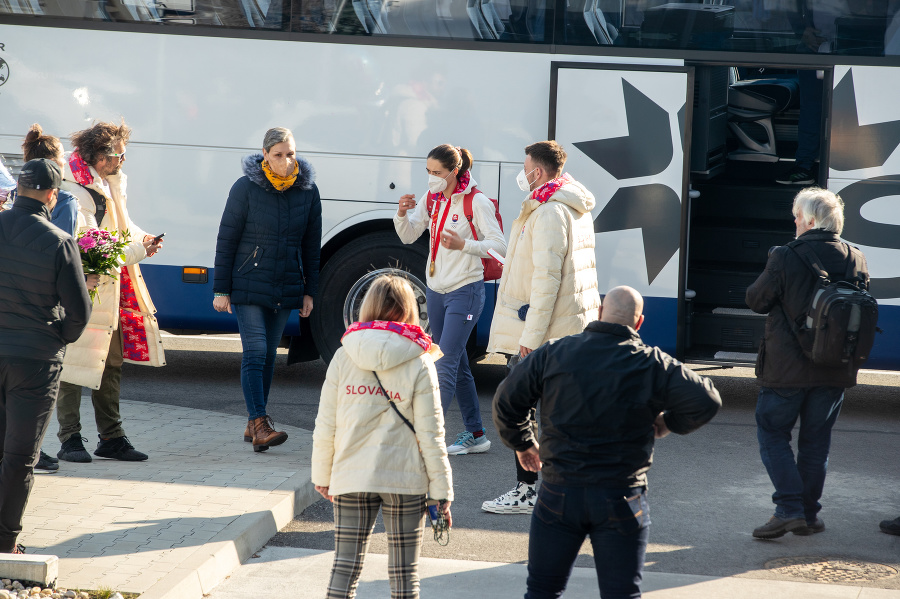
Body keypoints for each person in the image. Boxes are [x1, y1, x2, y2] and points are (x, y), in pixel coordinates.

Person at [493, 286, 721, 599]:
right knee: (621, 594)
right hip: (622, 496)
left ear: (599, 312)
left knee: (542, 591)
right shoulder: (653, 363)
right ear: (639, 323)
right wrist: (668, 423)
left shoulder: (554, 352)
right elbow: (707, 399)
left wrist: (523, 443)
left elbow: (506, 400)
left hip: (560, 491)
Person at [311, 274, 453, 599]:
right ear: (409, 310)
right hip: (405, 479)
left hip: (351, 476)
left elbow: (326, 423)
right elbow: (432, 433)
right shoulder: (420, 359)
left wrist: (322, 475)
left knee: (344, 569)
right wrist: (441, 492)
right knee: (405, 577)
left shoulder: (344, 354)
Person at [482, 140, 600, 514]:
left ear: (540, 172)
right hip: (569, 329)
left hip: (544, 335)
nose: (523, 172)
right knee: (558, 416)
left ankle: (529, 491)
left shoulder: (550, 211)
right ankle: (561, 490)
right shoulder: (571, 205)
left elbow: (546, 282)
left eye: (526, 166)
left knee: (521, 413)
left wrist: (529, 342)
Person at [746, 187, 869, 538]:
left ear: (811, 220)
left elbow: (756, 300)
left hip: (787, 370)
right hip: (835, 368)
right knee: (816, 443)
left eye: (798, 217)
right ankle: (809, 515)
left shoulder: (786, 255)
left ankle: (788, 509)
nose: (795, 223)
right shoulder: (856, 257)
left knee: (772, 434)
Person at [56, 120, 166, 463]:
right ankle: (70, 439)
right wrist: (140, 251)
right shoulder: (76, 188)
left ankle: (111, 437)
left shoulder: (107, 183)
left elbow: (121, 227)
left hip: (108, 290)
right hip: (84, 289)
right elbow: (91, 249)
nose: (122, 160)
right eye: (118, 155)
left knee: (110, 363)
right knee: (74, 364)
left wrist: (143, 238)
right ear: (98, 157)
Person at [0, 159, 92, 553]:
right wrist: (58, 339)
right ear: (53, 195)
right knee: (20, 455)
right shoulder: (60, 241)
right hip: (35, 361)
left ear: (17, 189)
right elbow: (80, 313)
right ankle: (5, 543)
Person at [213, 127, 322, 452]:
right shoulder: (245, 188)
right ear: (265, 156)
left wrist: (309, 291)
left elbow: (311, 246)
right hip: (248, 282)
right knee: (257, 352)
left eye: (290, 154)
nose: (286, 161)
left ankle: (253, 423)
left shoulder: (308, 190)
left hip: (287, 283)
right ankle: (260, 423)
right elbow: (227, 238)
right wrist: (221, 289)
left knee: (269, 358)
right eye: (278, 155)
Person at [394, 143, 506, 456]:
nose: (431, 178)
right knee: (456, 364)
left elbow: (500, 246)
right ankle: (476, 434)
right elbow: (408, 234)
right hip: (436, 290)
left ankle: (427, 440)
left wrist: (464, 245)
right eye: (428, 172)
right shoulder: (432, 197)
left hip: (465, 291)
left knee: (443, 361)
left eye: (437, 173)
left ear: (454, 172)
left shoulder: (476, 201)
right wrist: (402, 214)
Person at [21, 124, 101, 473]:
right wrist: (64, 332)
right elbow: (66, 263)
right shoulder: (66, 203)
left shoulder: (7, 209)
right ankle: (31, 454)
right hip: (41, 326)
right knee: (33, 402)